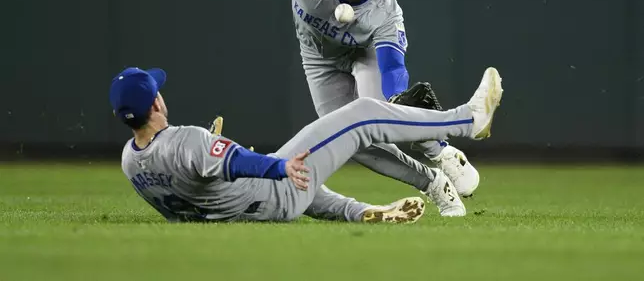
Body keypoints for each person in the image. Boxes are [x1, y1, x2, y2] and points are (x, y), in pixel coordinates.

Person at [165, 0, 481, 199]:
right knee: (352, 140)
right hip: (320, 62)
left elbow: (392, 67)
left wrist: (396, 99)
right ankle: (433, 183)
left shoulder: (386, 12)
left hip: (363, 54)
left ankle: (440, 151)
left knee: (387, 111)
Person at [110, 66, 503, 222]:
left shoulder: (131, 161)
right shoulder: (188, 142)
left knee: (310, 186)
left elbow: (195, 177)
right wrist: (279, 167)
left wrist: (211, 148)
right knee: (362, 115)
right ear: (157, 102)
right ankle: (468, 119)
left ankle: (363, 212)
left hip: (243, 213)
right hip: (275, 187)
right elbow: (238, 162)